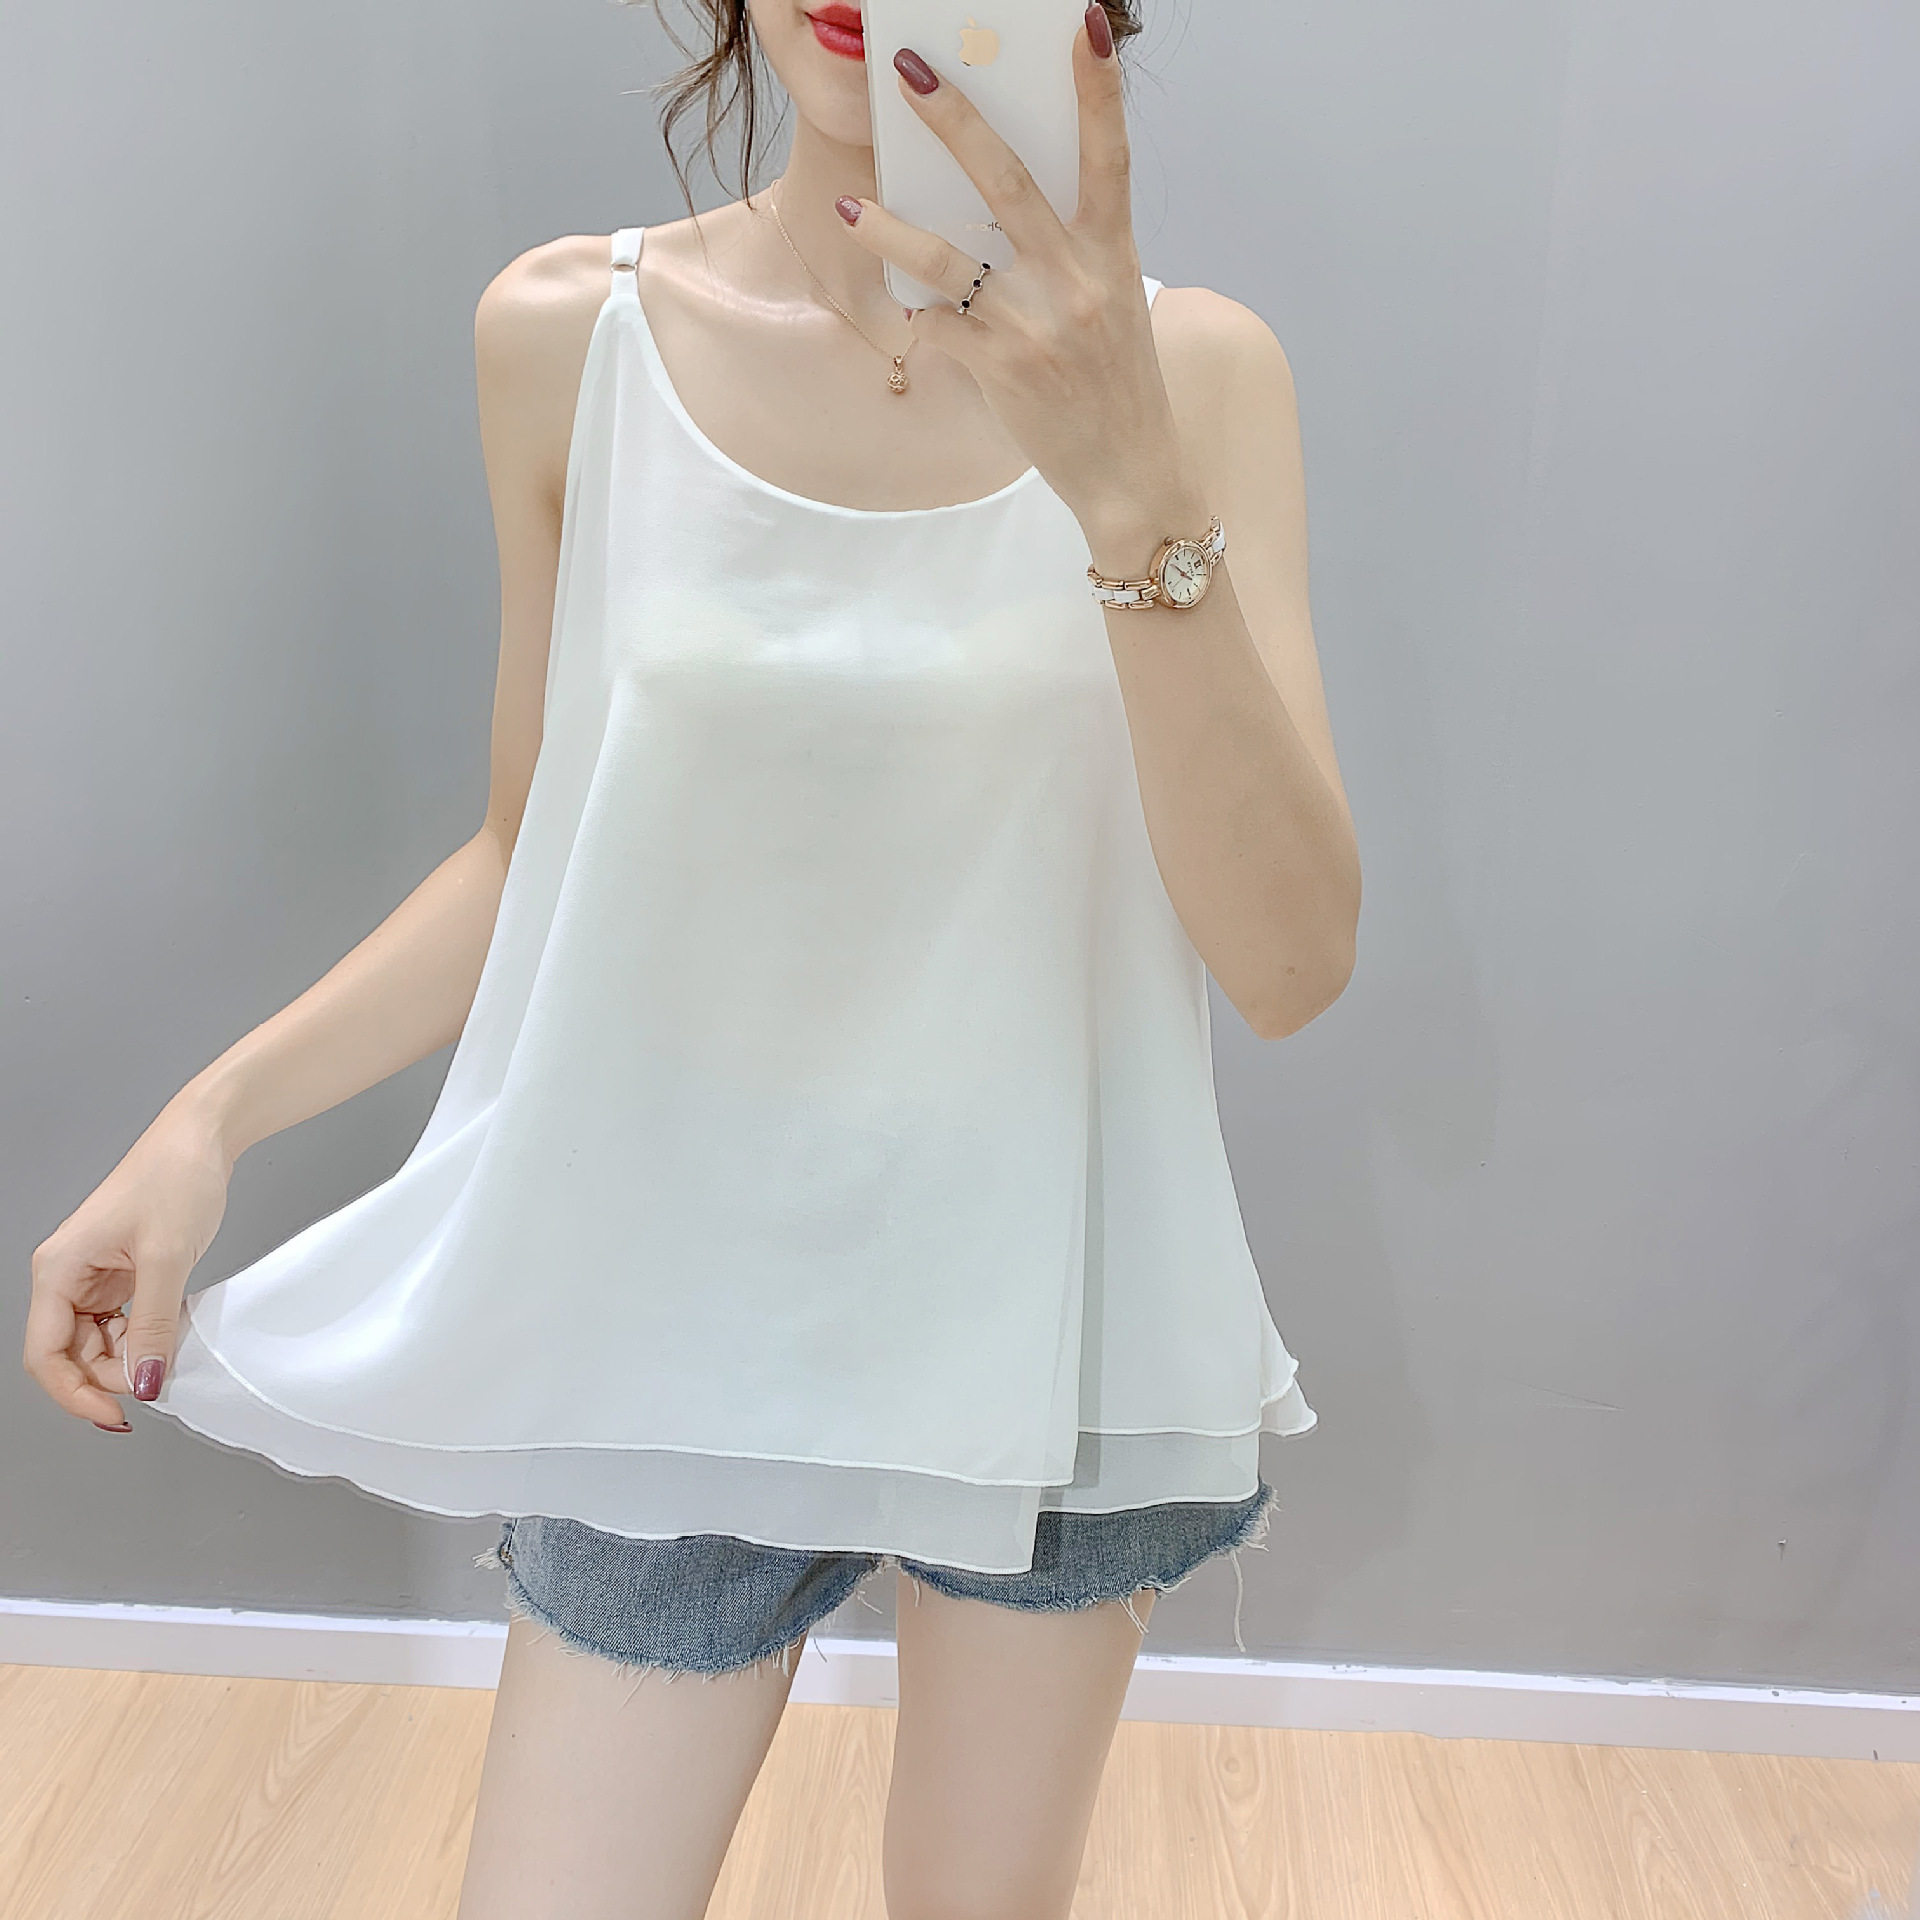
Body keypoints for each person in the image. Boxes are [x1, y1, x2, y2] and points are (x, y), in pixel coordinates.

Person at [25, 3, 1359, 1914]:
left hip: (1055, 1308)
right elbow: (531, 848)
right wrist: (208, 1120)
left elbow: (1292, 963)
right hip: (669, 1295)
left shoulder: (1202, 375)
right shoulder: (573, 335)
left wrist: (1130, 481)